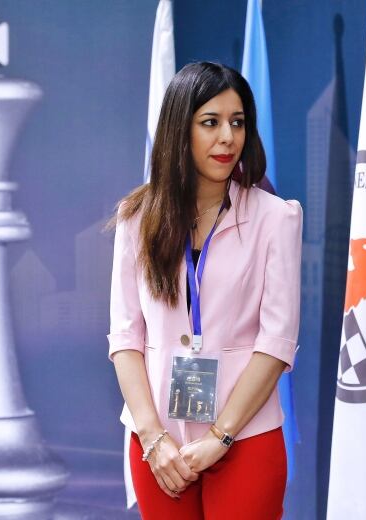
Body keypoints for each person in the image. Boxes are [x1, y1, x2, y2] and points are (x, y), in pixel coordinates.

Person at [107, 61, 303, 519]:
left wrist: (221, 436)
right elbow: (125, 338)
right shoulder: (137, 217)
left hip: (245, 436)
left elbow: (276, 343)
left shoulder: (277, 218)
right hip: (157, 444)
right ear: (180, 128)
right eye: (210, 123)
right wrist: (152, 437)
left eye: (237, 123)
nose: (227, 138)